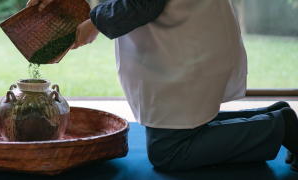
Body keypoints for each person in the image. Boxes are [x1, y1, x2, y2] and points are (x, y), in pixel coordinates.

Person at [26, 0, 298, 171]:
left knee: (169, 152)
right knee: (182, 131)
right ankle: (279, 117)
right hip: (183, 42)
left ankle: (280, 127)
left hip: (187, 46)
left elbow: (144, 4)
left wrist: (94, 23)